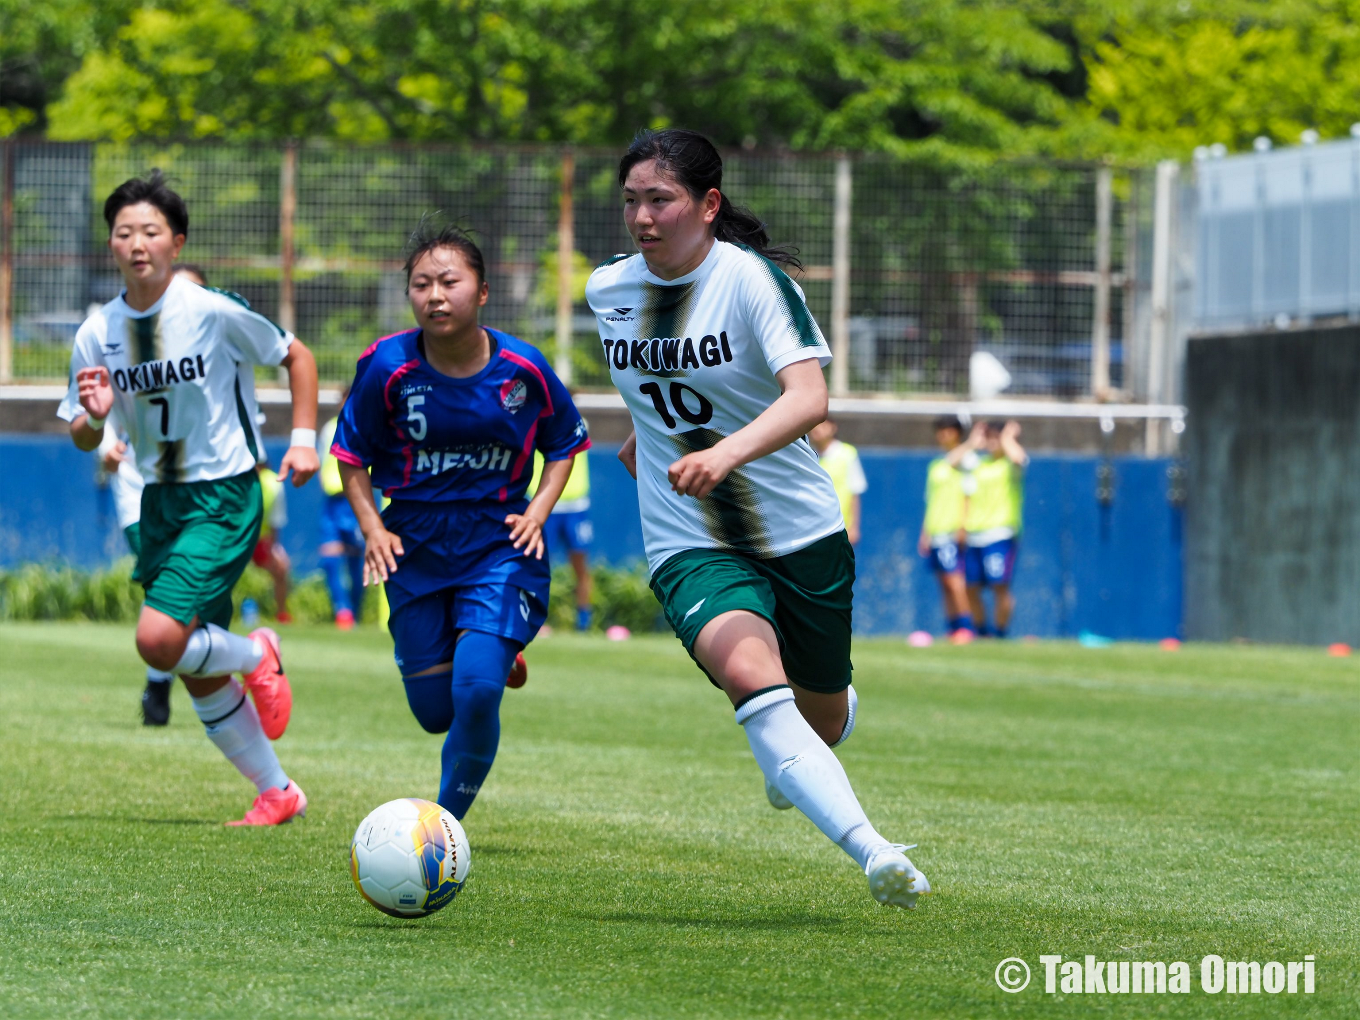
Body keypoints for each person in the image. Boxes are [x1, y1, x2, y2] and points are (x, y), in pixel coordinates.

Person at [586, 128, 929, 910]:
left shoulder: (751, 281)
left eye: (661, 199)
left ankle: (801, 755)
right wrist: (647, 435)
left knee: (822, 719)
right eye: (632, 200)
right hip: (688, 537)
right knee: (748, 673)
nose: (642, 216)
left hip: (799, 531)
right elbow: (655, 379)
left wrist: (723, 454)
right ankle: (876, 852)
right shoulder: (607, 289)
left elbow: (809, 398)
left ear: (708, 204)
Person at [58, 170, 319, 826]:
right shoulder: (97, 332)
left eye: (150, 231)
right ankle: (277, 792)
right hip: (159, 501)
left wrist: (304, 440)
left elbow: (296, 355)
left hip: (224, 494)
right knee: (194, 663)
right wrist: (95, 418)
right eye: (124, 232)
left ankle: (258, 654)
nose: (136, 243)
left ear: (176, 242)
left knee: (157, 639)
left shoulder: (211, 310)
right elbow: (83, 435)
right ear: (110, 245)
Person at [332, 222, 588, 820]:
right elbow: (350, 454)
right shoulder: (386, 366)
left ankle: (442, 828)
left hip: (498, 543)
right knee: (434, 712)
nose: (435, 296)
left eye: (450, 282)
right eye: (421, 284)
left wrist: (538, 510)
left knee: (474, 693)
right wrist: (373, 529)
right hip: (414, 546)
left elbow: (564, 443)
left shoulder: (523, 367)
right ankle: (496, 653)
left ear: (482, 291)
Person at [97, 413, 176, 723]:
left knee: (190, 593)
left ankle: (243, 659)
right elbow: (98, 413)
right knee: (163, 583)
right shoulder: (112, 379)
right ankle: (158, 685)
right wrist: (106, 448)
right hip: (135, 495)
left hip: (183, 490)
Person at [953, 420, 1027, 637]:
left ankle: (1000, 633)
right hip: (975, 535)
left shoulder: (1009, 465)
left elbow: (1018, 458)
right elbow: (951, 462)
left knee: (999, 585)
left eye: (996, 436)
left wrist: (1007, 437)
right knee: (971, 587)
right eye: (990, 436)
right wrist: (971, 442)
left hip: (1000, 534)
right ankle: (982, 633)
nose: (992, 441)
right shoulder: (977, 464)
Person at [918, 415, 974, 642]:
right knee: (944, 582)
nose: (943, 435)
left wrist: (963, 525)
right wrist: (925, 533)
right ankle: (953, 627)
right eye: (940, 431)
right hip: (936, 531)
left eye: (948, 430)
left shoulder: (966, 460)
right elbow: (931, 501)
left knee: (955, 580)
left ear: (958, 433)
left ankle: (967, 628)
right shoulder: (936, 465)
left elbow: (969, 494)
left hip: (951, 530)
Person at [527, 445, 594, 630]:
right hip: (544, 505)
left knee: (581, 566)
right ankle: (535, 620)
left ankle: (584, 623)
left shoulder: (579, 429)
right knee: (538, 564)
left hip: (577, 505)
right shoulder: (536, 428)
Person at [317, 387, 367, 629]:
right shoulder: (329, 428)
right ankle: (342, 611)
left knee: (356, 558)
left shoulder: (366, 426)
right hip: (332, 501)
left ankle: (354, 611)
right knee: (330, 557)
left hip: (354, 501)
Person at [809, 417, 866, 547]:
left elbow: (855, 492)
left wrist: (854, 527)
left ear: (833, 428)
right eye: (814, 426)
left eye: (822, 425)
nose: (817, 429)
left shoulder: (847, 453)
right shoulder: (808, 455)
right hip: (813, 529)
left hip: (840, 527)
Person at [252, 459, 293, 622]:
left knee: (282, 567)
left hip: (261, 539)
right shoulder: (234, 477)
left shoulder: (273, 483)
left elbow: (275, 521)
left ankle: (282, 614)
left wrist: (273, 547)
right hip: (234, 537)